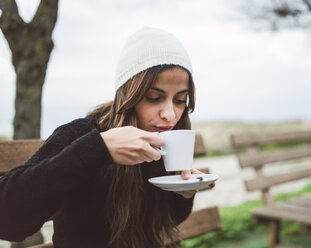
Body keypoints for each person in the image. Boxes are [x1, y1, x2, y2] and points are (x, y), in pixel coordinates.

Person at [0, 26, 210, 248]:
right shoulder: (80, 134)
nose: (169, 115)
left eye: (180, 100)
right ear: (128, 95)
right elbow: (7, 221)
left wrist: (183, 194)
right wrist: (97, 150)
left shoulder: (162, 142)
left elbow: (167, 221)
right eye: (154, 97)